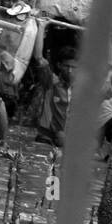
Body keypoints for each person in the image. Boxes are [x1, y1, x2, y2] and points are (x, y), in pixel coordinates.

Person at [31, 18, 77, 148]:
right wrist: (41, 26)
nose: (70, 71)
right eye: (67, 66)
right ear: (59, 65)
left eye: (74, 67)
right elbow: (39, 57)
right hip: (46, 136)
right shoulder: (52, 81)